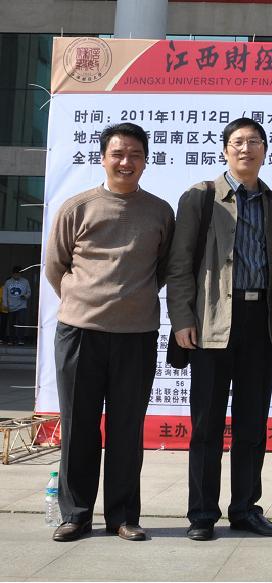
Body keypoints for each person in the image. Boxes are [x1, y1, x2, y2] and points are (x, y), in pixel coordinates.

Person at [44, 122, 174, 542]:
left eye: (135, 154)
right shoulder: (77, 207)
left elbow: (164, 268)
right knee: (79, 426)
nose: (126, 161)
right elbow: (55, 267)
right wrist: (86, 300)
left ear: (146, 160)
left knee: (127, 428)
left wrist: (130, 299)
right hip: (80, 333)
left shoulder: (159, 211)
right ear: (103, 158)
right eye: (118, 153)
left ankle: (123, 516)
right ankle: (76, 515)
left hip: (136, 335)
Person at [166, 117, 272, 541]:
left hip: (260, 324)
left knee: (253, 424)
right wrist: (182, 318)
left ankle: (245, 509)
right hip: (211, 322)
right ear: (224, 150)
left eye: (254, 141)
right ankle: (202, 514)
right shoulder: (200, 197)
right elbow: (179, 264)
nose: (246, 149)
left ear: (265, 150)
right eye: (237, 142)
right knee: (207, 425)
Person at [3, 266, 31, 345]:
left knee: (21, 322)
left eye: (19, 274)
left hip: (22, 306)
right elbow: (5, 294)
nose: (17, 275)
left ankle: (20, 339)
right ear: (12, 274)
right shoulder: (8, 282)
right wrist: (5, 304)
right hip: (11, 306)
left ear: (21, 274)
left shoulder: (25, 281)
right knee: (11, 323)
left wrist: (25, 296)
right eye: (15, 274)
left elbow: (29, 292)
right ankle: (11, 340)